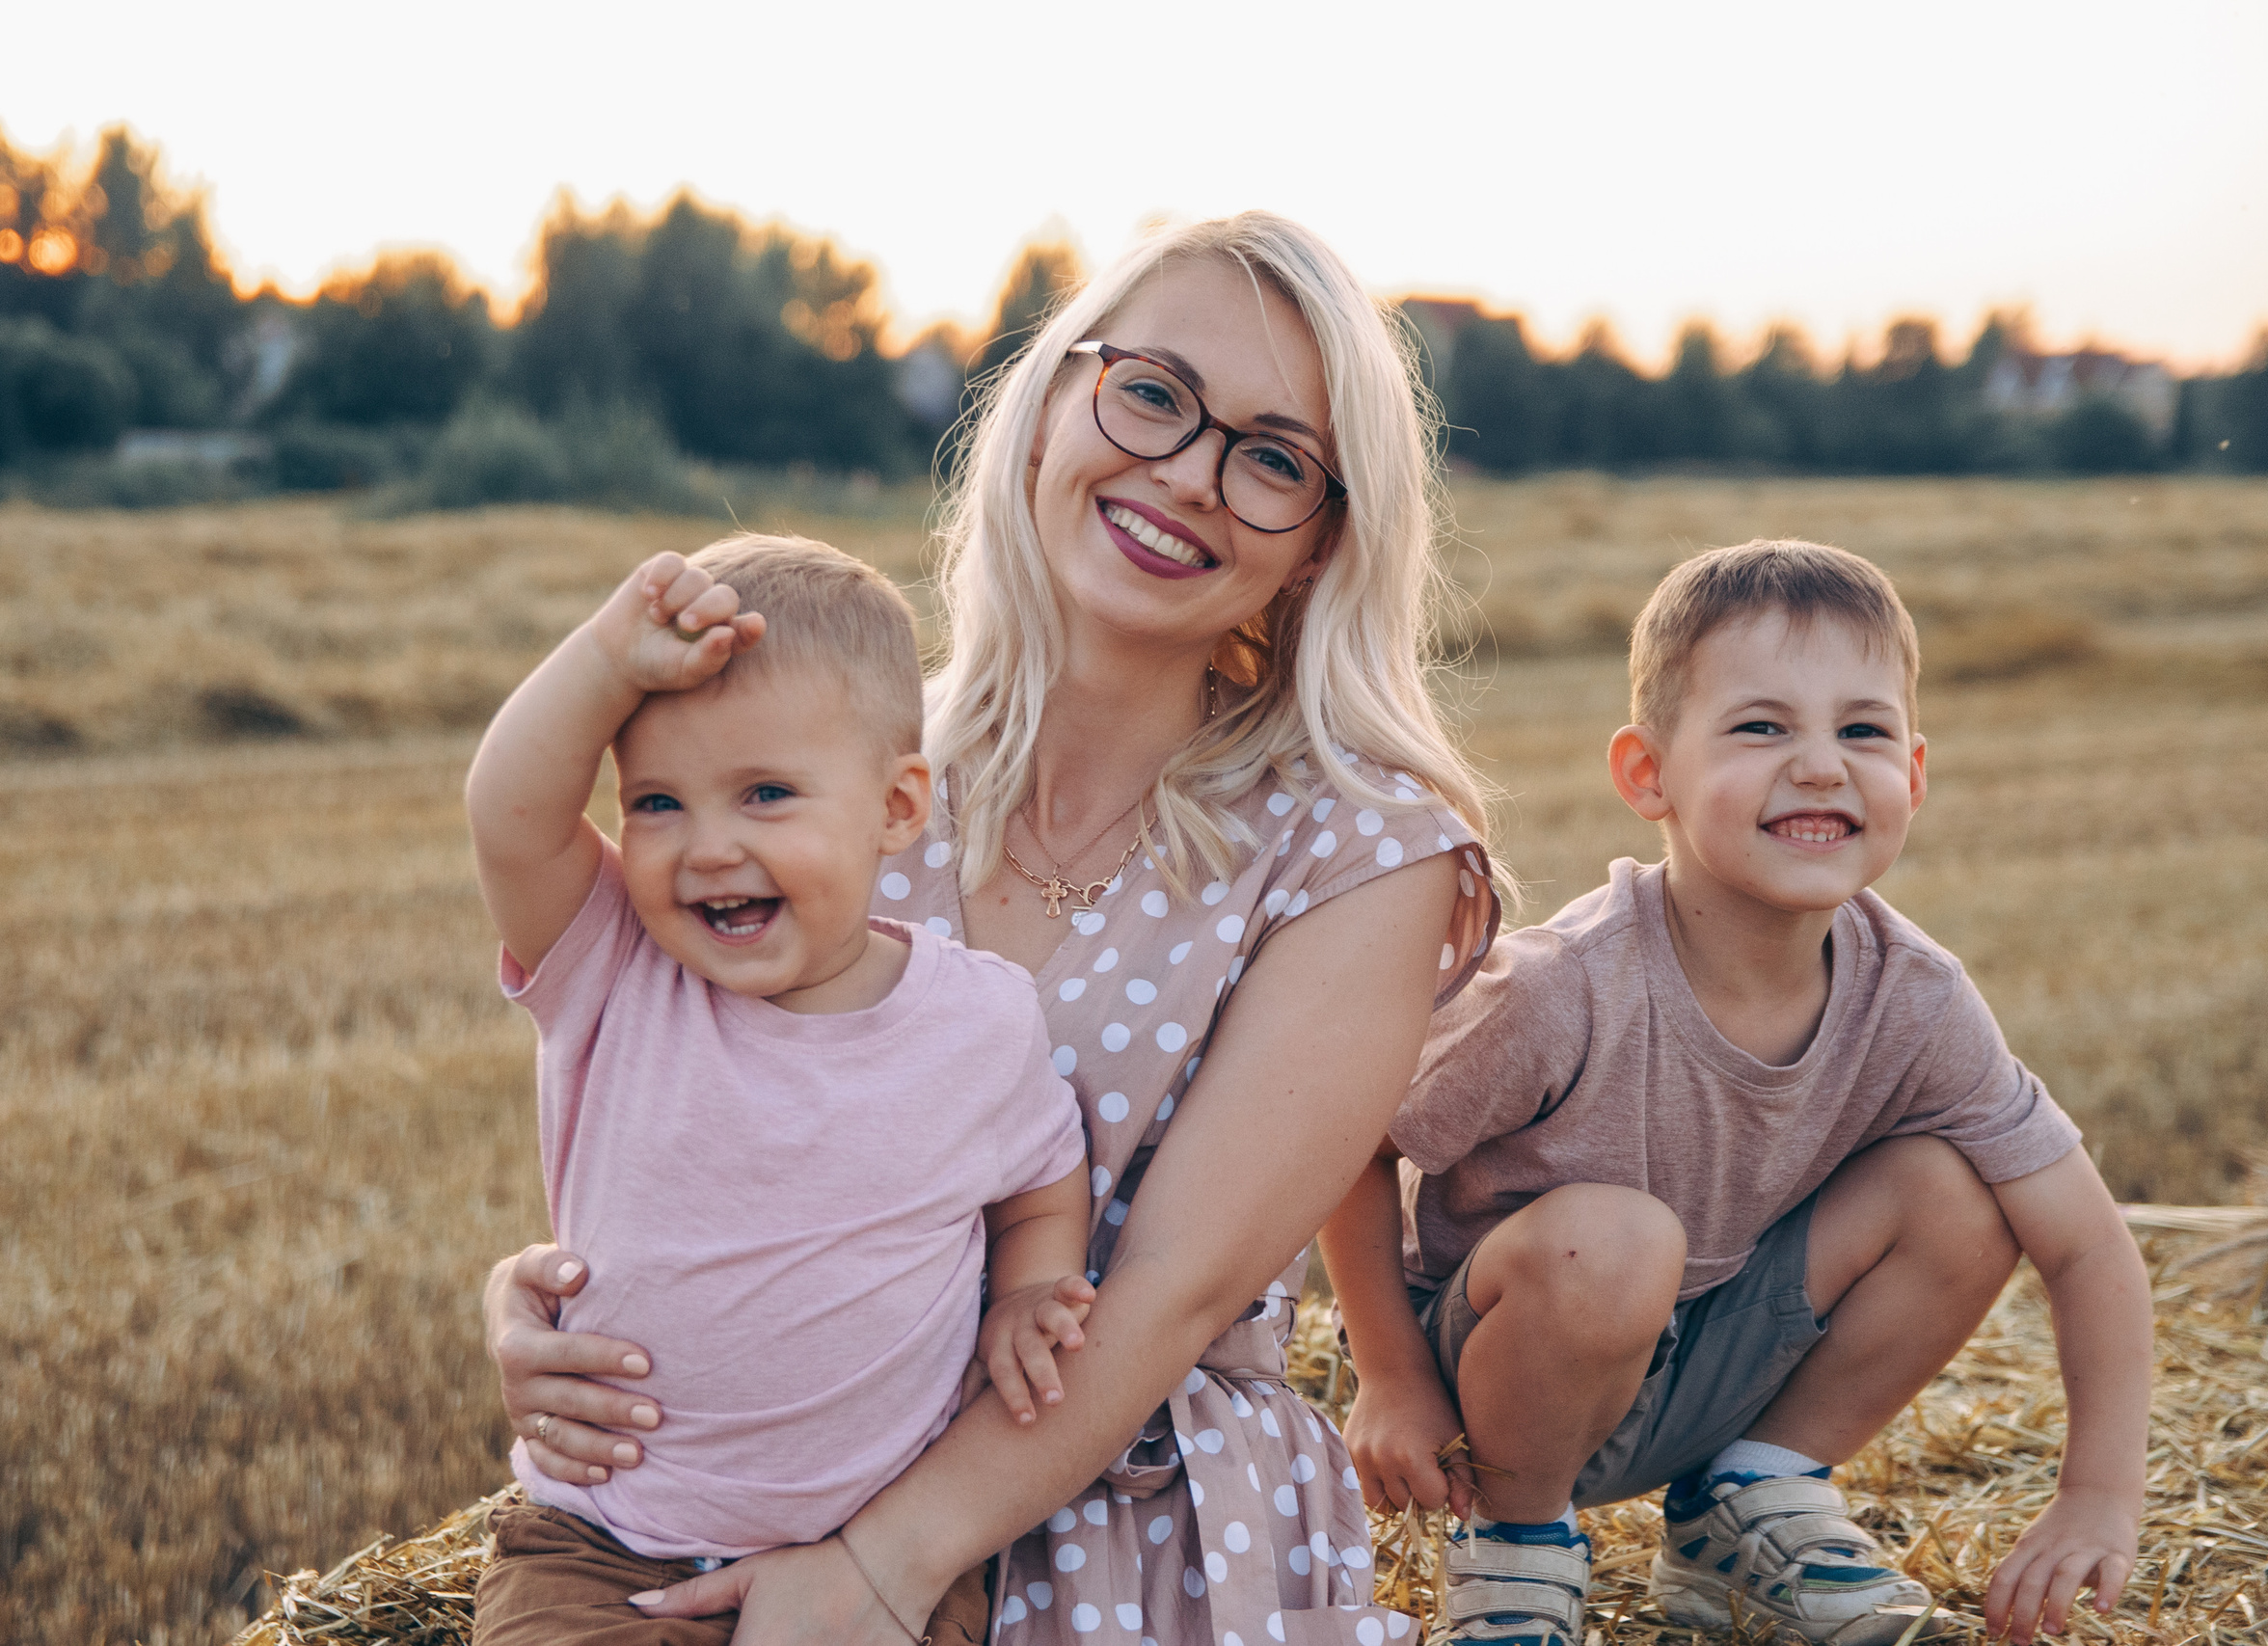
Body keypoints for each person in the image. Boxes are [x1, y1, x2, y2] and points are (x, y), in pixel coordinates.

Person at [481, 212, 1503, 1644]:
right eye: (1152, 393)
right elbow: (673, 1079)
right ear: (1048, 408)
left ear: (1324, 542)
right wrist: (549, 1299)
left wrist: (883, 1570)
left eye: (1272, 458)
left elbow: (1168, 1289)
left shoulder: (1361, 848)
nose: (1189, 475)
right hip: (750, 1503)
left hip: (1129, 1523)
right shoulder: (837, 766)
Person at [1318, 541, 2152, 1646]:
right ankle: (1517, 1546)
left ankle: (1744, 1500)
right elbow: (1342, 1140)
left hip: (1705, 1364)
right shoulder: (1562, 987)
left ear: (1911, 775)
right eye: (1761, 727)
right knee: (1617, 1240)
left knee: (1960, 1188)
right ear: (1645, 775)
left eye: (1860, 730)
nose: (1819, 766)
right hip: (1497, 1376)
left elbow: (2089, 1249)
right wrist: (1386, 1376)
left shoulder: (1916, 1000)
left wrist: (2097, 1494)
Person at [463, 534, 1094, 1645]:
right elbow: (508, 812)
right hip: (605, 1547)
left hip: (874, 1548)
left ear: (898, 807)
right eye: (657, 802)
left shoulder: (978, 1019)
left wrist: (1029, 1289)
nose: (707, 848)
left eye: (764, 793)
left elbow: (1041, 1177)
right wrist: (609, 660)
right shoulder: (613, 967)